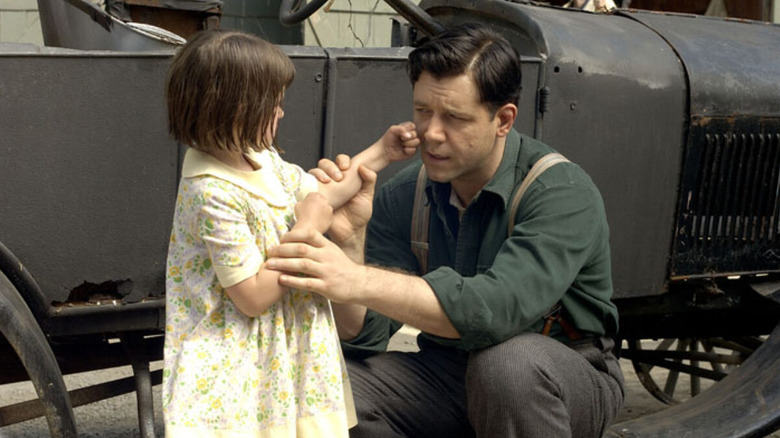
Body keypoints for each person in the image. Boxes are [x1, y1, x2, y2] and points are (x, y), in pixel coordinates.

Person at [266, 23, 625, 438]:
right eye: (422, 111)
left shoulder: (560, 191)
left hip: (562, 376)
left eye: (454, 118)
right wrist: (349, 242)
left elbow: (493, 312)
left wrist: (355, 279)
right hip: (449, 371)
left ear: (503, 119)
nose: (431, 134)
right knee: (322, 389)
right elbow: (363, 337)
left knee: (506, 366)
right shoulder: (407, 192)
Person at [161, 29, 419, 437]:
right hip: (237, 364)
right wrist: (307, 227)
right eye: (274, 104)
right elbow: (252, 296)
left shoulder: (260, 161)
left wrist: (382, 152)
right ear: (236, 108)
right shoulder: (210, 190)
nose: (281, 113)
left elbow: (324, 193)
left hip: (284, 354)